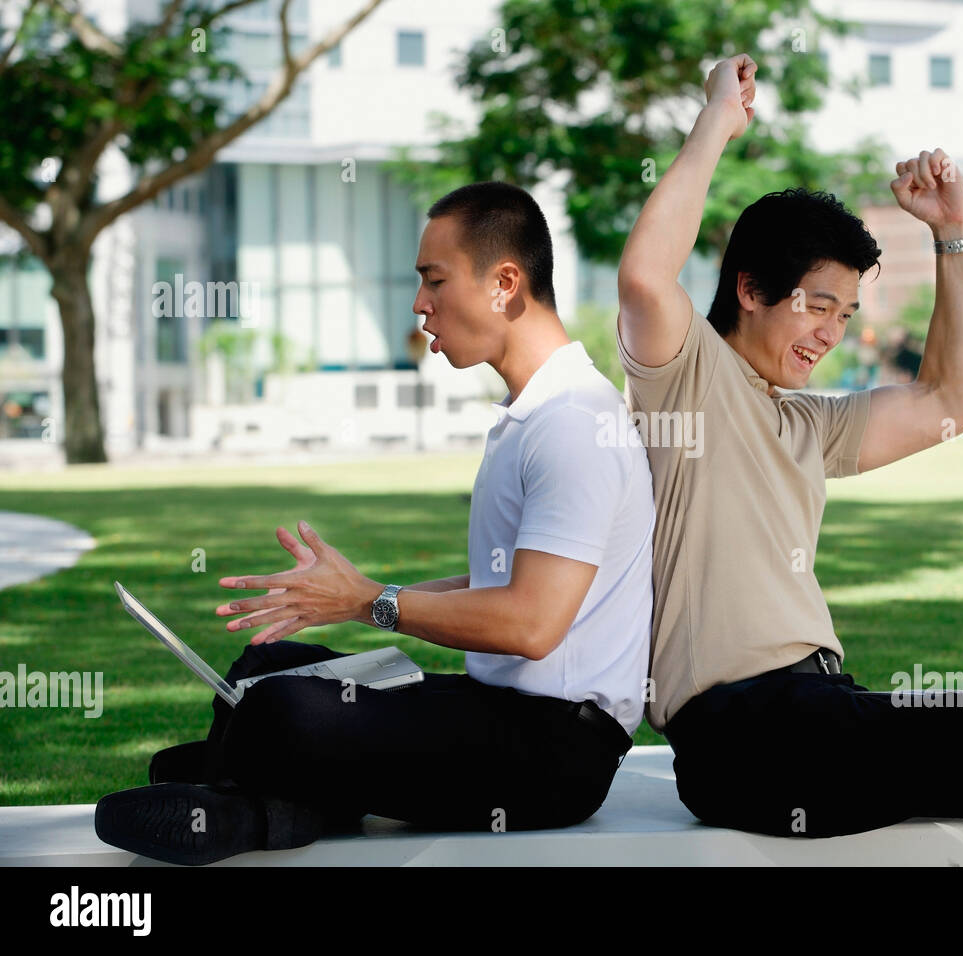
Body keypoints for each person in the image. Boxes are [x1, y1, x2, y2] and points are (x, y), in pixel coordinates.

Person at [614, 54, 963, 866]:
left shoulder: (806, 423)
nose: (832, 332)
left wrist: (950, 234)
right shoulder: (687, 380)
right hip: (740, 738)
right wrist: (719, 116)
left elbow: (951, 404)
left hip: (824, 706)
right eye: (817, 305)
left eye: (847, 312)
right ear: (752, 289)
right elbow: (647, 276)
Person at [96, 181, 656, 866]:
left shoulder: (572, 422)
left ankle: (249, 798)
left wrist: (367, 602)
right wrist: (354, 595)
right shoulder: (536, 413)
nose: (420, 304)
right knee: (269, 668)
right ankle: (261, 785)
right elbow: (498, 582)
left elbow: (531, 625)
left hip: (555, 755)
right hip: (502, 715)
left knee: (281, 714)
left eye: (435, 280)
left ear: (505, 282)